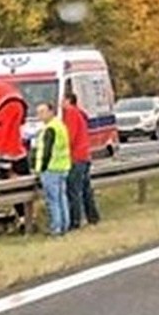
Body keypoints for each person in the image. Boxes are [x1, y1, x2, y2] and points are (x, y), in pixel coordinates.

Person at [31, 101, 72, 236]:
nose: (39, 115)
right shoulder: (60, 126)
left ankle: (56, 228)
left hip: (51, 169)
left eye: (42, 112)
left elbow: (46, 151)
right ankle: (65, 225)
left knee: (52, 200)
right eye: (38, 112)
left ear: (51, 112)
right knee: (62, 198)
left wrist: (40, 168)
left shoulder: (50, 128)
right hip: (62, 167)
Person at [63, 92, 100, 229]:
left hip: (76, 157)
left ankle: (75, 221)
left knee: (74, 190)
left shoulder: (71, 113)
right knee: (85, 189)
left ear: (68, 100)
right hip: (84, 155)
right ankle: (93, 217)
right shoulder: (80, 113)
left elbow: (70, 136)